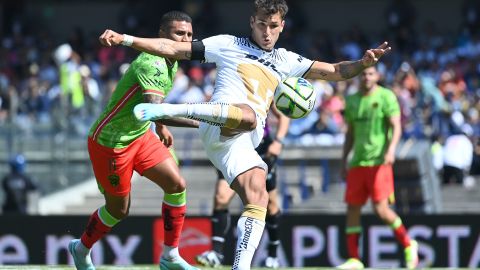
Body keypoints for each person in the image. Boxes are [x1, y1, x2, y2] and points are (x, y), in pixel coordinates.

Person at [99, 1, 390, 268]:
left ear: (282, 26)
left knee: (258, 195)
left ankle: (241, 266)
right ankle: (166, 110)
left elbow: (336, 71)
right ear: (252, 21)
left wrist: (362, 64)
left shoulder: (287, 61)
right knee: (251, 117)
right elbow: (172, 48)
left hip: (240, 142)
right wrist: (126, 39)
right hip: (220, 123)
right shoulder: (227, 44)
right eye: (261, 24)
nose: (267, 32)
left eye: (273, 26)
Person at [69, 11, 200, 270]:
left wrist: (160, 128)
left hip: (140, 135)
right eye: (179, 34)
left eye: (189, 35)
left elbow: (154, 105)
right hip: (112, 143)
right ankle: (81, 248)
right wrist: (205, 121)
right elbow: (155, 109)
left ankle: (170, 255)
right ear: (162, 36)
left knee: (176, 185)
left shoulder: (172, 60)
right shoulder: (151, 63)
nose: (185, 40)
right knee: (119, 210)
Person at [338, 65, 418, 270]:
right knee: (352, 209)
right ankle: (355, 259)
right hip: (358, 163)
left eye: (370, 73)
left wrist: (391, 150)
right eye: (363, 73)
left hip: (379, 162)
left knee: (381, 210)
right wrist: (343, 159)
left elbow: (396, 126)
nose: (366, 76)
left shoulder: (386, 97)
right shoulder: (352, 100)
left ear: (378, 76)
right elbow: (350, 134)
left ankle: (409, 245)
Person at [195, 104, 289, 268]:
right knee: (221, 197)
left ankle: (273, 254)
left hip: (261, 149)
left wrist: (278, 141)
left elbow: (284, 117)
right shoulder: (228, 89)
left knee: (271, 205)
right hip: (234, 148)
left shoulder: (262, 85)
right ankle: (216, 253)